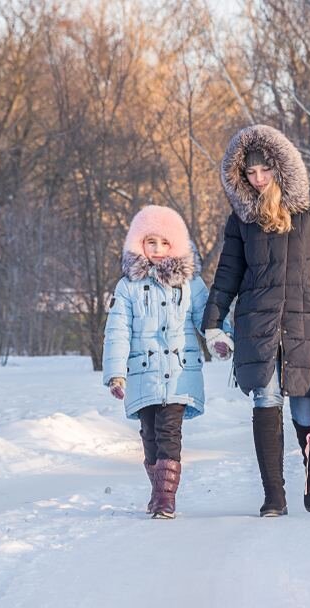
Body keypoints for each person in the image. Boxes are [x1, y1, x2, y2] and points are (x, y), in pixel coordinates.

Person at [202, 124, 310, 517]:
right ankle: (274, 495)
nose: (257, 180)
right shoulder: (242, 219)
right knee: (265, 398)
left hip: (306, 321)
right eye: (249, 173)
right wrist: (214, 321)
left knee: (305, 410)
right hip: (258, 323)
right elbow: (227, 273)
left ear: (280, 167)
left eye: (264, 171)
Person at [102, 205, 208, 519]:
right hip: (141, 372)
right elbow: (118, 330)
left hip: (179, 371)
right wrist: (116, 374)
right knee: (149, 434)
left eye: (164, 242)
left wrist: (219, 337)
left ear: (175, 243)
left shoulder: (191, 284)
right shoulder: (128, 287)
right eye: (151, 242)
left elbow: (207, 318)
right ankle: (157, 489)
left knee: (169, 431)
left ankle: (165, 498)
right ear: (139, 244)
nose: (158, 250)